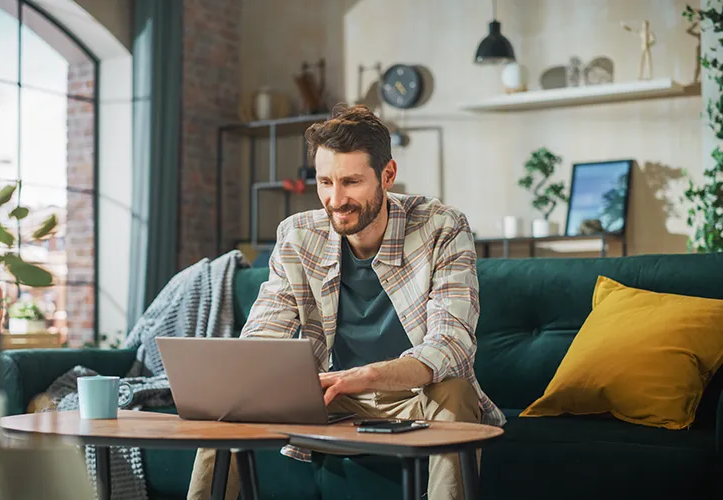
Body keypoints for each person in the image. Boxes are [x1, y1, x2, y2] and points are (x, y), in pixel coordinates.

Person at [187, 104, 505, 500]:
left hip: (412, 397)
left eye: (351, 182)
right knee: (230, 402)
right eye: (324, 182)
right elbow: (263, 336)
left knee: (456, 394)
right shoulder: (298, 234)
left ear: (387, 175)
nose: (335, 200)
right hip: (329, 395)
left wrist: (366, 375)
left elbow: (451, 345)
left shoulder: (441, 226)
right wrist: (246, 378)